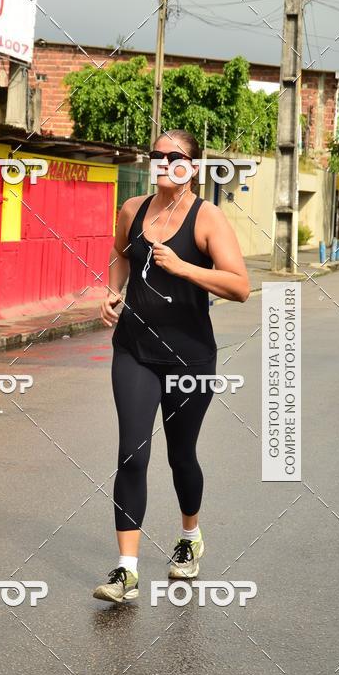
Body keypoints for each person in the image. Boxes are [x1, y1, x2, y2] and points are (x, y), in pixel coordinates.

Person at [93, 129, 250, 604]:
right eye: (157, 156)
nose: (163, 162)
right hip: (134, 350)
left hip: (189, 358)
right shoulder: (132, 209)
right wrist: (115, 290)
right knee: (132, 455)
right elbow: (121, 255)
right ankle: (126, 571)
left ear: (193, 167)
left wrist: (184, 268)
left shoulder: (209, 219)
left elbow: (240, 286)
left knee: (180, 456)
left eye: (174, 156)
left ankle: (189, 536)